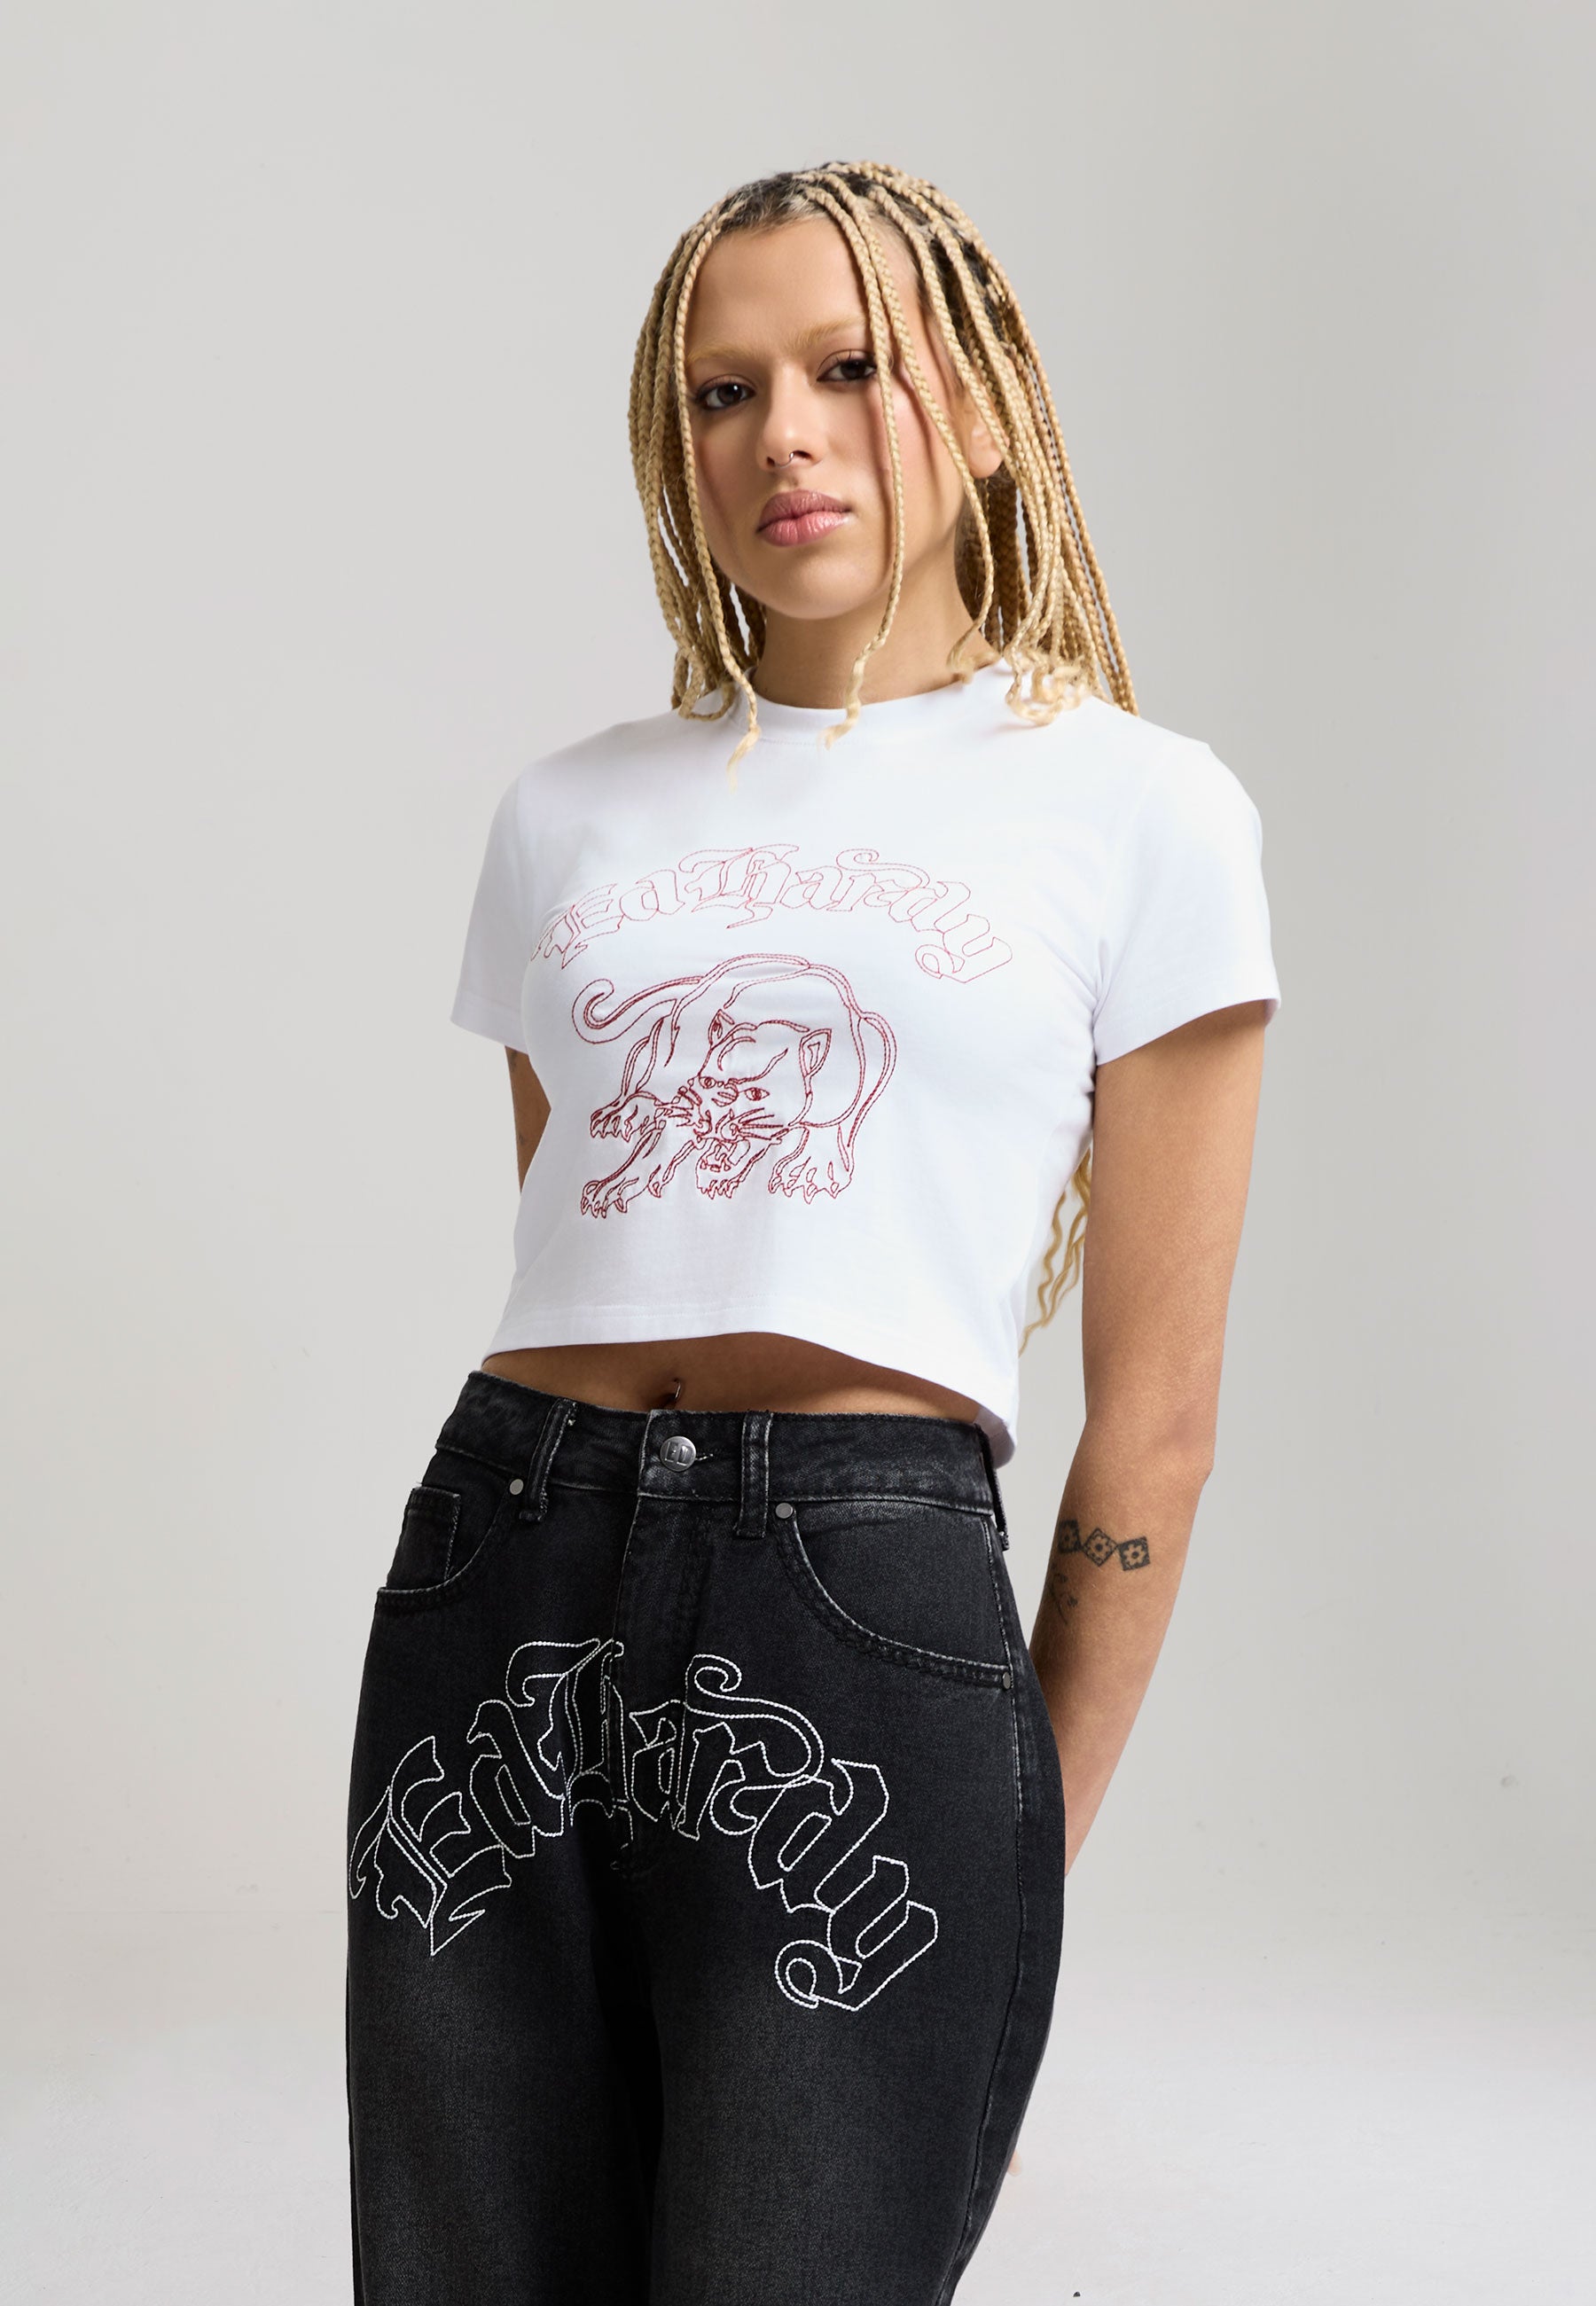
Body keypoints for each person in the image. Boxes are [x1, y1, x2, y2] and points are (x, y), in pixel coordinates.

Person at [343, 159, 1280, 2305]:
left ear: (989, 400)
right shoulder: (569, 810)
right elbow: (595, 1229)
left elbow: (1156, 1420)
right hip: (505, 1554)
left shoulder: (1143, 808)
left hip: (864, 1590)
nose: (788, 432)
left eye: (854, 366)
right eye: (724, 388)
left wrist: (1015, 1811)